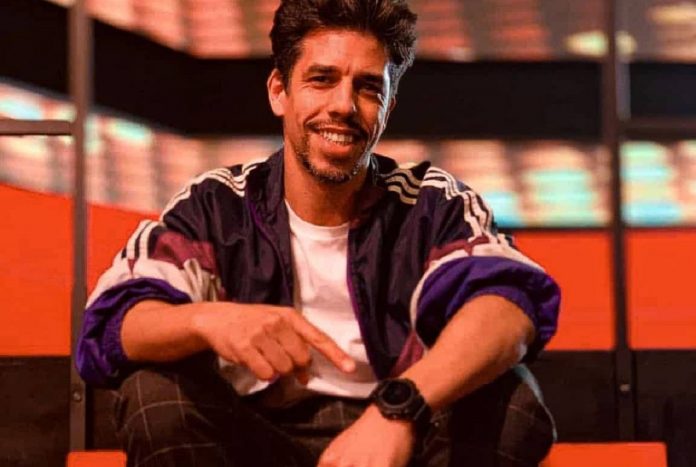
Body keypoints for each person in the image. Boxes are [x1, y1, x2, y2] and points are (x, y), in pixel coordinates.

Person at [77, 0, 561, 465]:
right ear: (279, 91)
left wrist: (398, 410)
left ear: (388, 108)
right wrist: (211, 320)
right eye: (322, 80)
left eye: (368, 88)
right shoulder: (216, 204)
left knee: (511, 401)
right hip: (252, 441)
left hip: (402, 440)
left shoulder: (432, 203)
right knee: (154, 394)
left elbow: (509, 308)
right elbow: (114, 324)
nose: (344, 106)